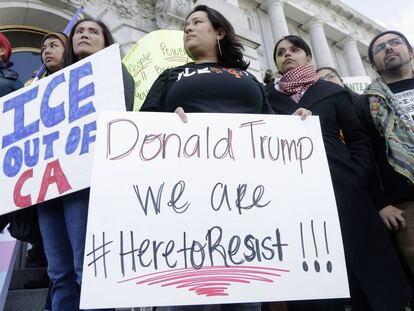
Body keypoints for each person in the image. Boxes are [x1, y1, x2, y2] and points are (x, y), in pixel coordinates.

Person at [142, 5, 309, 311]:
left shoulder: (248, 77)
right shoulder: (171, 76)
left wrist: (296, 125)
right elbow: (144, 125)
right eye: (186, 25)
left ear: (219, 31)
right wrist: (166, 120)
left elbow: (269, 121)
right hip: (187, 194)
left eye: (196, 22)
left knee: (244, 292)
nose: (188, 28)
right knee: (192, 293)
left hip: (246, 195)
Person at [266, 35, 411, 310]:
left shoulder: (332, 92)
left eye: (294, 49)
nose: (287, 54)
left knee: (363, 267)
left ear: (308, 57)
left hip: (344, 186)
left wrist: (355, 174)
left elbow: (359, 138)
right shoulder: (267, 99)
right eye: (281, 52)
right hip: (295, 195)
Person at [37, 19, 134, 311]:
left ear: (106, 42)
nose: (84, 35)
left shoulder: (116, 72)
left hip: (88, 182)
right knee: (59, 273)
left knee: (86, 270)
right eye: (79, 31)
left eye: (93, 31)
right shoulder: (48, 85)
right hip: (48, 187)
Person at [355, 30, 414, 282]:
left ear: (410, 52)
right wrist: (380, 203)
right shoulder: (365, 103)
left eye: (395, 43)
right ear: (373, 64)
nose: (388, 49)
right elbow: (365, 155)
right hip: (406, 204)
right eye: (380, 48)